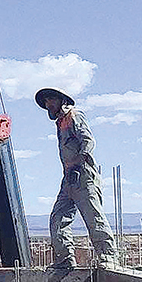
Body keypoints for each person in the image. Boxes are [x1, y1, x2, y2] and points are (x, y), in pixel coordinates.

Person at [35, 88, 116, 269]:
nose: (48, 104)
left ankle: (108, 257)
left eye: (50, 99)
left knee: (93, 215)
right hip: (69, 177)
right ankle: (65, 258)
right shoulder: (60, 123)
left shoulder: (74, 115)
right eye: (46, 101)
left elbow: (88, 141)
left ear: (61, 100)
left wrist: (80, 163)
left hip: (83, 174)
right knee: (58, 217)